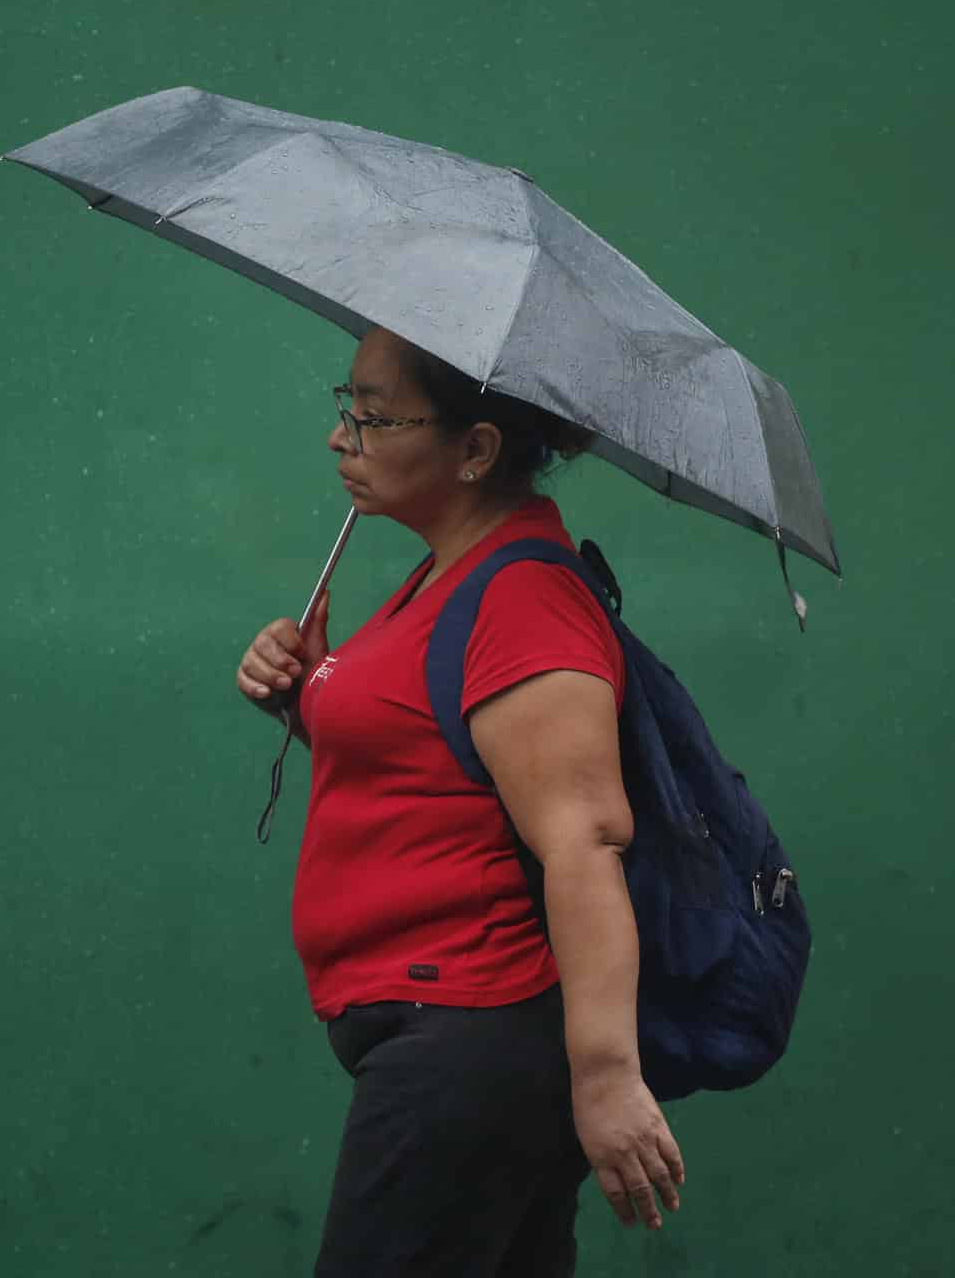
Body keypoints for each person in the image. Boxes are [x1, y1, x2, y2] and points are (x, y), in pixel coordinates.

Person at [234, 327, 685, 1276]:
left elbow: (585, 840)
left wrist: (607, 1080)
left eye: (374, 414)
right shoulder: (454, 574)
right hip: (447, 1040)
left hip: (472, 1041)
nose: (340, 436)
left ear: (476, 450)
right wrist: (314, 691)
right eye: (344, 403)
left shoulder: (522, 596)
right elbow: (441, 767)